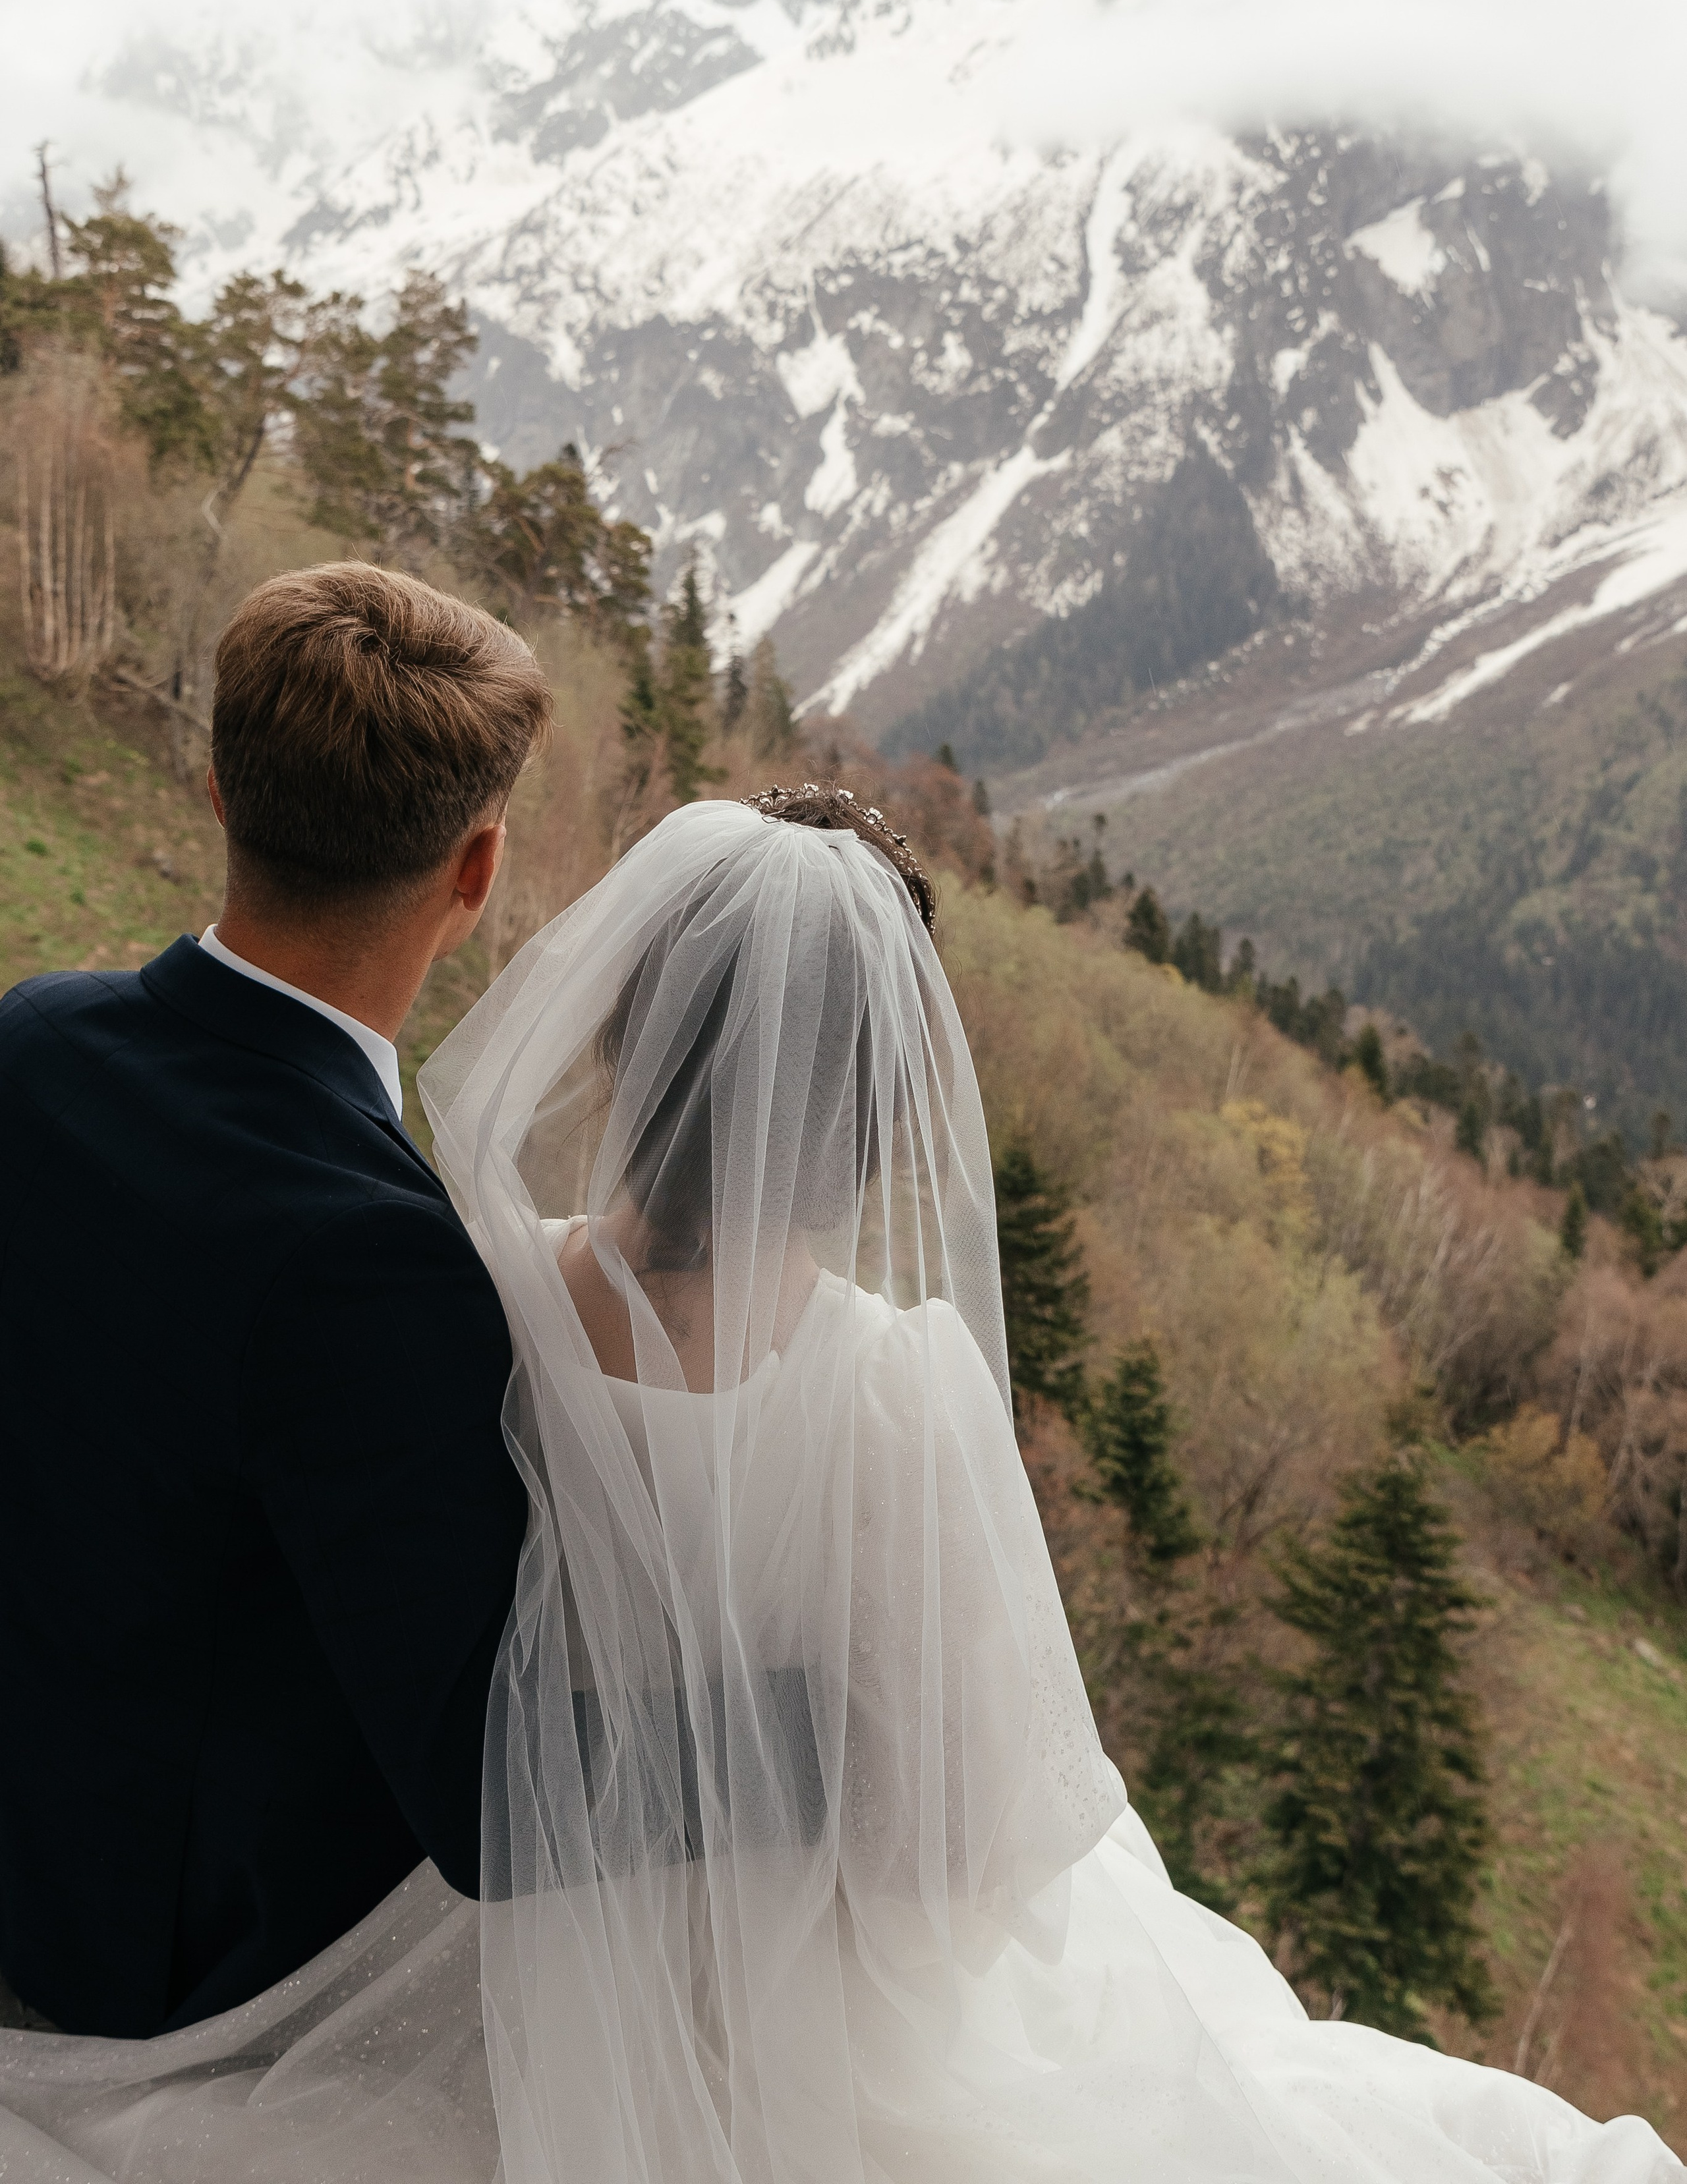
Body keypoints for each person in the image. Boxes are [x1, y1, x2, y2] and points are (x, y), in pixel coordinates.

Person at [2, 785, 1681, 2183]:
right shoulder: (888, 1387)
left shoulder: (476, 1301)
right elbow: (953, 1850)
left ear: (629, 1042)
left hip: (527, 1972)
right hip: (814, 1995)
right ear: (876, 1105)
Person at [0, 564, 544, 2046]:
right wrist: (842, 1731)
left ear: (218, 793)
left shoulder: (33, 1040)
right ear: (476, 869)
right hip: (140, 1986)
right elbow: (489, 1796)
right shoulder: (376, 1258)